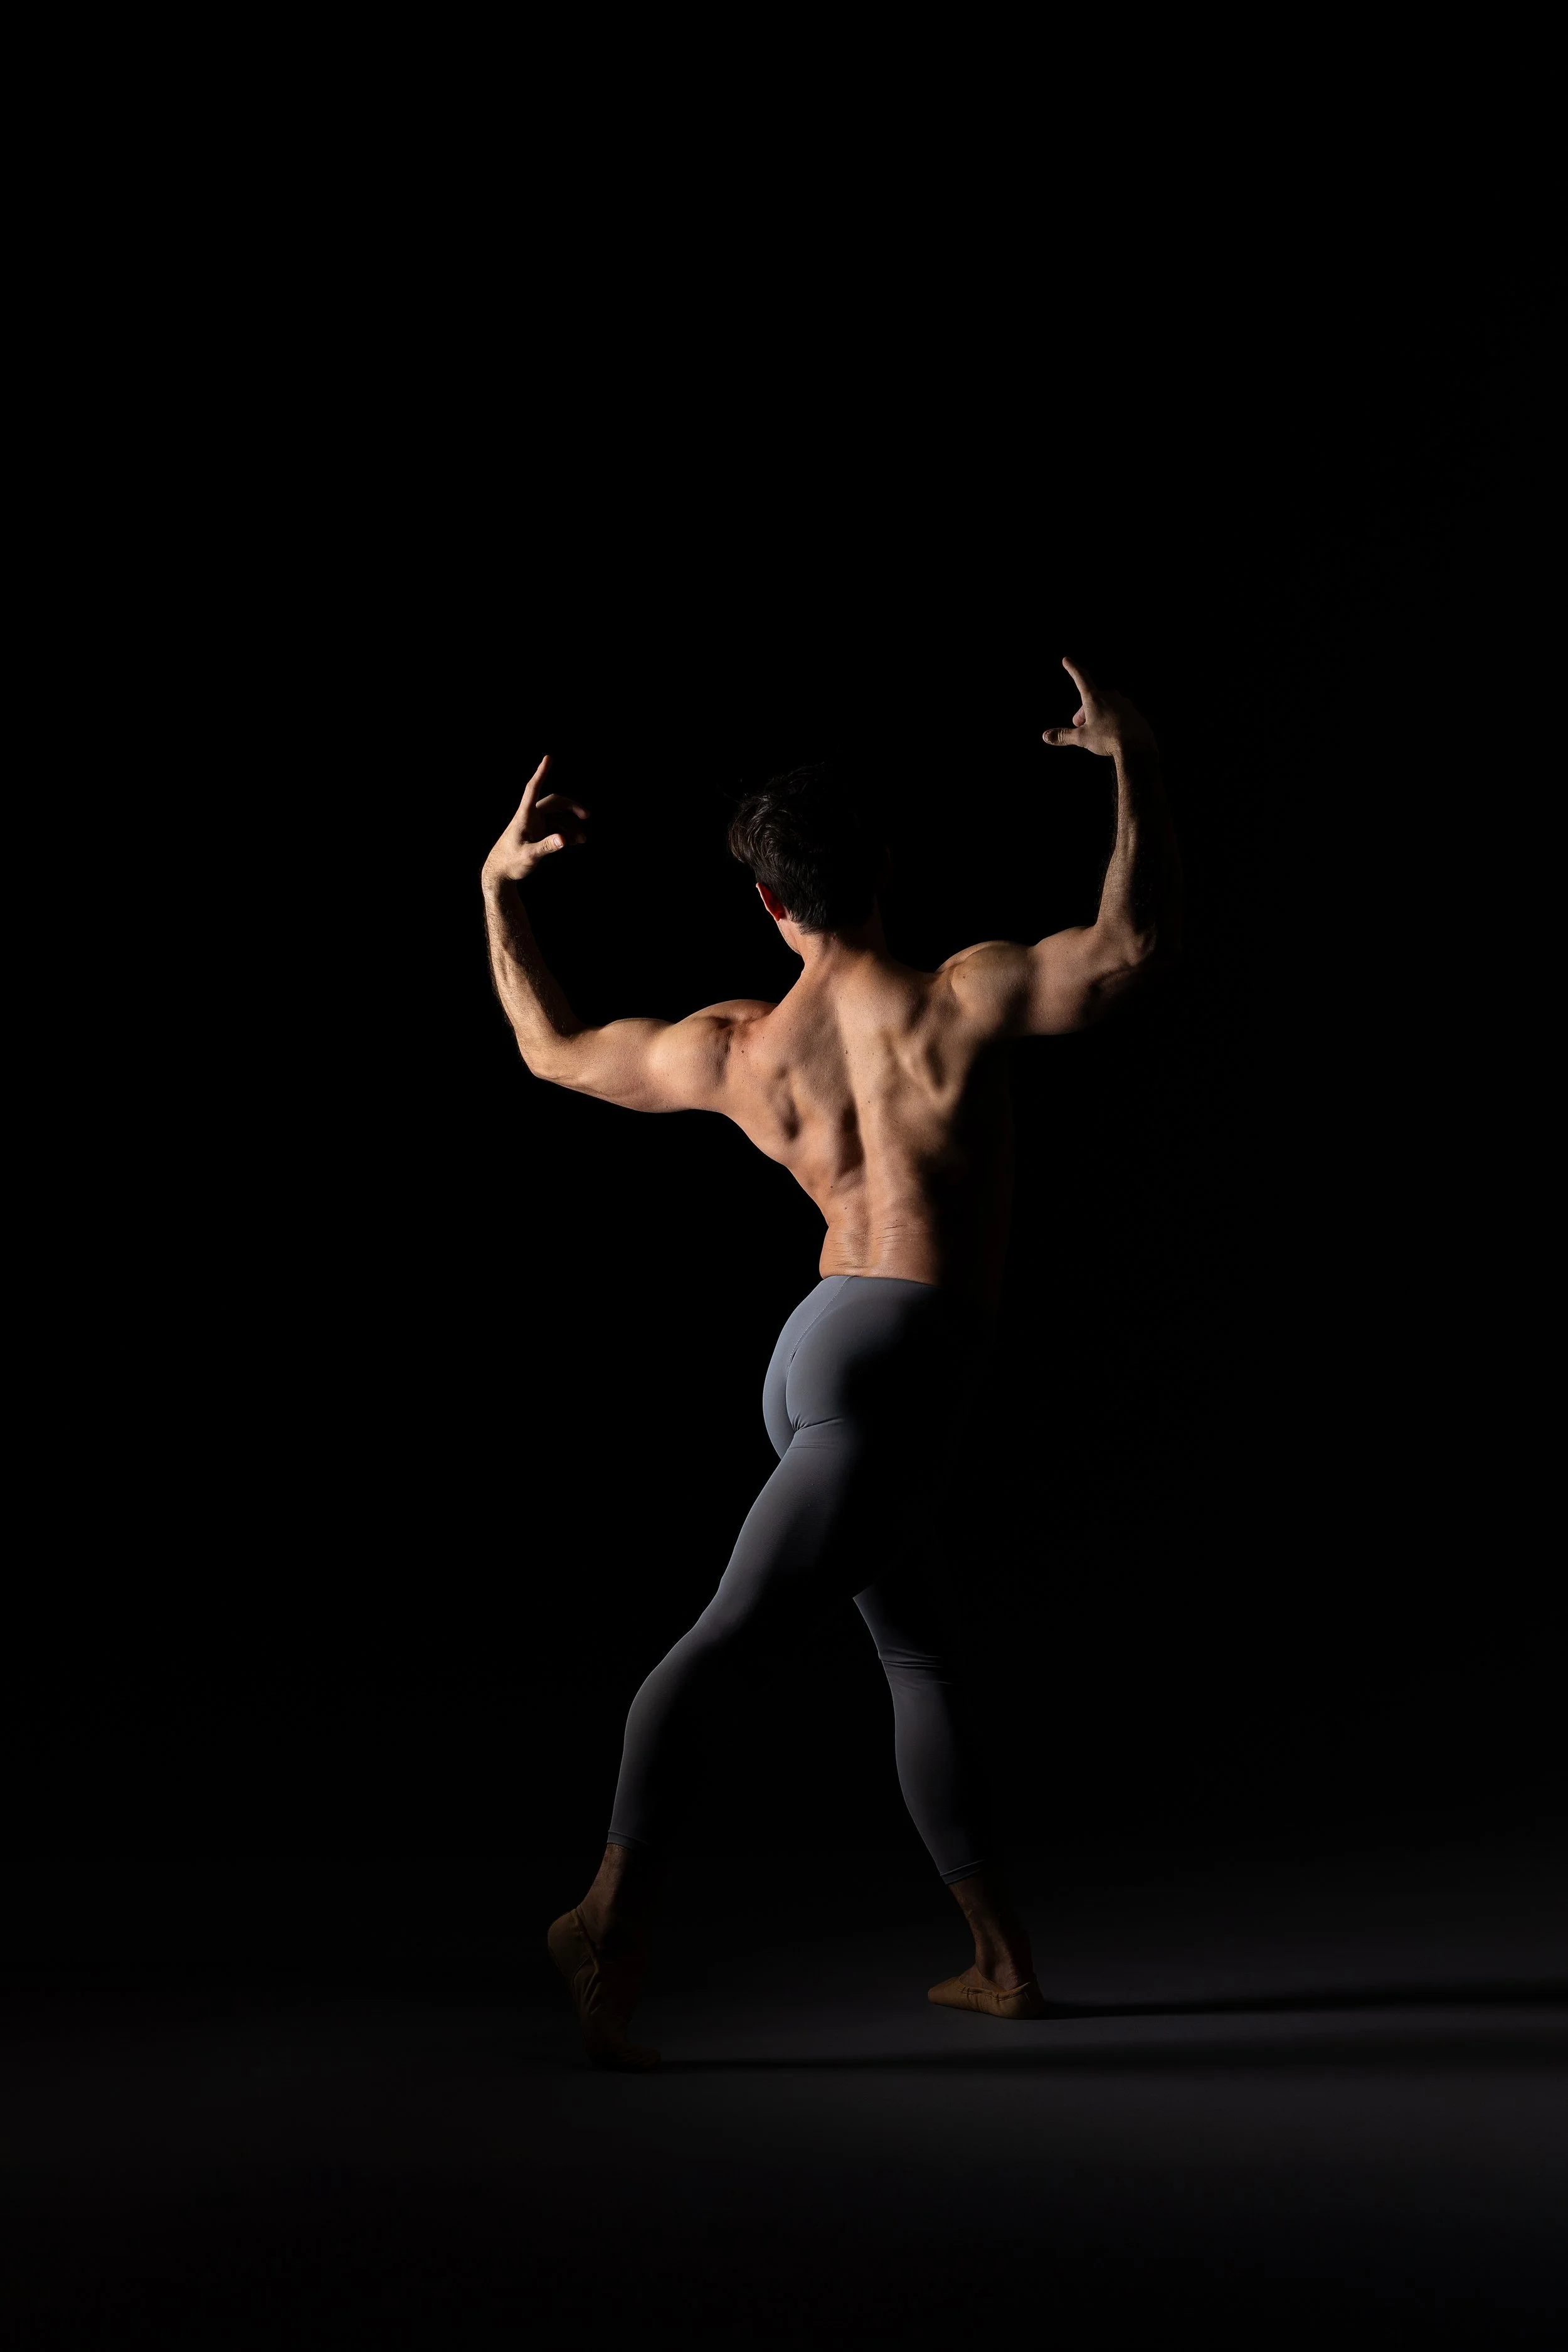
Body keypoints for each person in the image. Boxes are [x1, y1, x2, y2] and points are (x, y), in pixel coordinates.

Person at [482, 659, 1183, 2069]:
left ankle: (998, 1965)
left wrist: (498, 891)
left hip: (820, 1349)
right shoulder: (965, 996)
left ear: (767, 907)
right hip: (905, 1355)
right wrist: (1136, 762)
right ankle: (609, 1920)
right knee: (730, 1638)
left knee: (916, 1649)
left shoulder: (739, 1047)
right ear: (881, 871)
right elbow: (1123, 951)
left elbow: (551, 1052)